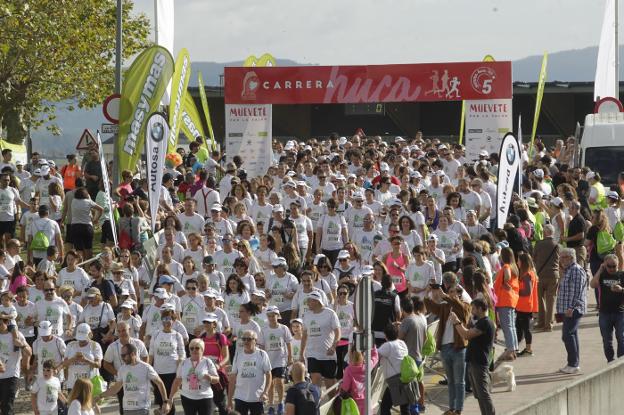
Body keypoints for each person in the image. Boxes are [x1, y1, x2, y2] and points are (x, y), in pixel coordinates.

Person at [424, 282, 469, 415]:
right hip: (445, 348)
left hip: (459, 348)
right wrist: (428, 293)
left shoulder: (465, 306)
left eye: (454, 292)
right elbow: (430, 306)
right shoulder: (444, 307)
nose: (452, 294)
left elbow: (463, 311)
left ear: (460, 294)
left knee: (459, 382)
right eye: (450, 292)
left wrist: (445, 296)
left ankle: (458, 409)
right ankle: (451, 408)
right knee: (450, 382)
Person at [449, 298, 496, 415]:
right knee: (479, 395)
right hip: (474, 362)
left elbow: (466, 335)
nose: (472, 312)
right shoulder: (481, 322)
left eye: (474, 309)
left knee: (483, 394)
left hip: (479, 363)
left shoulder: (485, 323)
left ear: (480, 309)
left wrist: (456, 321)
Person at [97, 343, 171, 415]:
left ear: (132, 354)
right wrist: (99, 396)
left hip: (142, 408)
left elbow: (159, 383)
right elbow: (116, 388)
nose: (122, 358)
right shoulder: (122, 369)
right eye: (121, 356)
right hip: (127, 409)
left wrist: (165, 402)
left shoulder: (146, 368)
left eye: (124, 355)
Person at [300, 291, 341, 390]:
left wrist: (333, 347)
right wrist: (301, 354)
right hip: (312, 354)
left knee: (330, 386)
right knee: (316, 380)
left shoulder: (330, 313)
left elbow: (338, 332)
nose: (307, 304)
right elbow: (304, 336)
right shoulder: (306, 315)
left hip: (328, 355)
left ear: (317, 301)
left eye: (309, 301)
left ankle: (333, 404)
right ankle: (316, 405)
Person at [556, 248, 587, 374]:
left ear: (570, 258)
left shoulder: (575, 270)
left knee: (568, 335)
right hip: (568, 309)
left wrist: (571, 308)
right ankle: (573, 363)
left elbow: (577, 292)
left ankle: (573, 364)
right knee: (571, 335)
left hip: (573, 309)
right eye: (561, 257)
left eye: (563, 257)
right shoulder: (569, 270)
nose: (561, 260)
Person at [170, 338, 220, 415]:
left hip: (204, 397)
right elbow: (177, 381)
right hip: (187, 397)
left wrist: (210, 378)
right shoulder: (183, 363)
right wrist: (170, 398)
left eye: (197, 348)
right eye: (191, 348)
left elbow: (217, 379)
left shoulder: (207, 362)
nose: (194, 350)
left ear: (202, 350)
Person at [228, 329, 272, 415]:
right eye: (244, 339)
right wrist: (229, 400)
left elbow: (268, 374)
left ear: (255, 341)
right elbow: (233, 378)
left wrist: (265, 392)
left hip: (257, 398)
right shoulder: (238, 355)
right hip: (240, 397)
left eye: (249, 339)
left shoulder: (262, 354)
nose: (246, 341)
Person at [590, 254, 624, 362]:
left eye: (614, 266)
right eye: (609, 266)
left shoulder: (622, 275)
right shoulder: (602, 275)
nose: (612, 269)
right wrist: (600, 270)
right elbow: (592, 285)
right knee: (606, 341)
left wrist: (621, 289)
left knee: (622, 339)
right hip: (605, 313)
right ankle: (610, 361)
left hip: (620, 312)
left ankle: (620, 363)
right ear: (605, 265)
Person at [493, 247, 519, 362]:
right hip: (511, 299)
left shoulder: (506, 266)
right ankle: (513, 349)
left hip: (504, 299)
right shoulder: (514, 267)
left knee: (507, 326)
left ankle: (509, 350)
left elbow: (507, 276)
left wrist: (504, 282)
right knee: (511, 326)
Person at [378, 323, 411, 415]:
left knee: (384, 407)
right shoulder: (402, 343)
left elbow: (375, 355)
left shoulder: (388, 345)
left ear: (386, 335)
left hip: (395, 382)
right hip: (405, 378)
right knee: (405, 409)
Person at [533, 224, 560, 332]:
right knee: (551, 300)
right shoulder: (557, 245)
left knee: (540, 299)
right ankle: (549, 324)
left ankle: (541, 322)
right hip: (554, 275)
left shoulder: (538, 244)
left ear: (544, 233)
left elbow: (534, 258)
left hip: (540, 275)